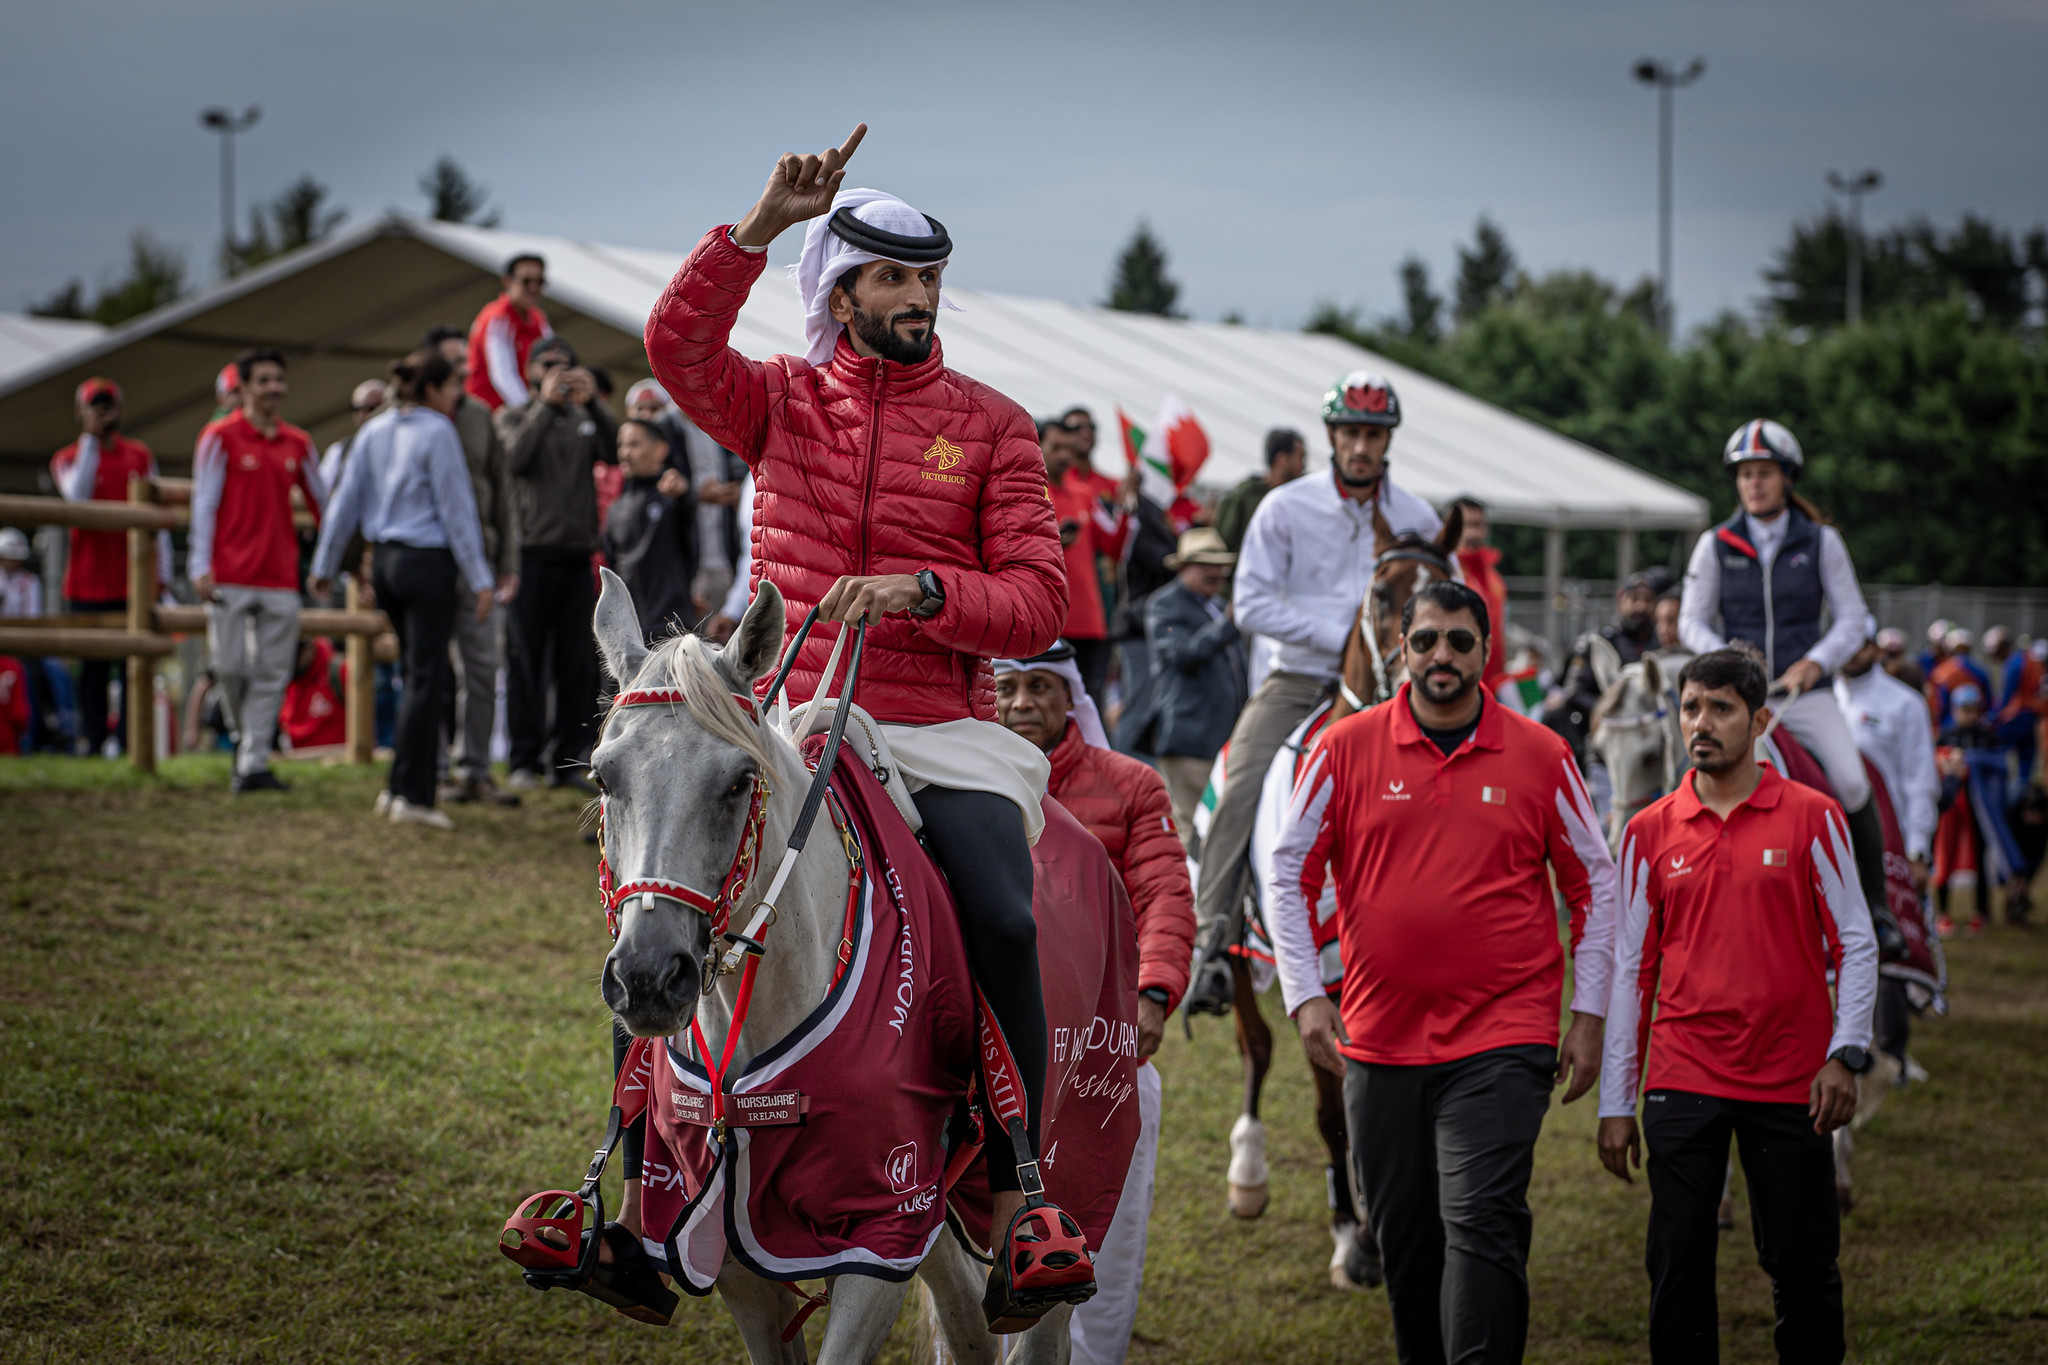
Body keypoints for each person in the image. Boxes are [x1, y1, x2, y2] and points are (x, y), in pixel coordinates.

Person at [641, 125, 1089, 1328]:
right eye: (890, 278)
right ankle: (628, 1188)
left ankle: (1023, 1190)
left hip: (938, 725)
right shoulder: (775, 399)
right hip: (788, 712)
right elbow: (670, 346)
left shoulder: (994, 425)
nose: (914, 298)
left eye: (927, 278)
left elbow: (1042, 601)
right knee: (663, 888)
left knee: (999, 908)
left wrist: (924, 593)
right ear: (838, 288)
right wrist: (757, 225)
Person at [1272, 580, 1616, 1365]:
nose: (1442, 656)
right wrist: (1304, 993)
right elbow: (1290, 866)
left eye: (1460, 641)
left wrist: (1590, 1013)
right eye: (1426, 640)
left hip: (1504, 1032)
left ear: (1486, 652)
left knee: (1483, 1220)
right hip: (1378, 1037)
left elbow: (1594, 882)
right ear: (1401, 649)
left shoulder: (1541, 753)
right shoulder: (1342, 746)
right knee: (1406, 1237)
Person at [1600, 648, 1878, 1365]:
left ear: (1758, 720)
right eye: (1691, 706)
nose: (1701, 722)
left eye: (1720, 708)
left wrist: (1846, 1053)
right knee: (1677, 1268)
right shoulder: (1648, 831)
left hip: (1792, 1081)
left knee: (1803, 1268)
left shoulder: (1813, 816)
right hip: (1683, 1077)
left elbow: (1855, 940)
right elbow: (1630, 971)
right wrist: (1614, 1101)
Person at [1182, 370, 1441, 1017]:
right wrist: (1344, 637)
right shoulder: (1284, 506)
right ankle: (1213, 939)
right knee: (1240, 777)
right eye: (1351, 432)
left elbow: (1446, 601)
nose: (1361, 446)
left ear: (1387, 440)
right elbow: (1250, 602)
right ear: (1331, 434)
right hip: (1299, 678)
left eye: (1373, 435)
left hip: (1398, 687)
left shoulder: (1418, 516)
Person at [992, 643, 1194, 1365]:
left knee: (1103, 1232)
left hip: (1105, 1054)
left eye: (1040, 686)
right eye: (1007, 686)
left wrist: (1154, 990)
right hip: (991, 1059)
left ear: (1071, 695)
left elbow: (1165, 890)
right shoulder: (953, 783)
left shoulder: (1130, 785)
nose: (1022, 703)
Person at [1678, 419, 1904, 960]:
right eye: (1745, 475)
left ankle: (1877, 909)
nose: (1754, 483)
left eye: (1764, 473)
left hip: (1807, 695)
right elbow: (1691, 621)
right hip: (1738, 697)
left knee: (1850, 782)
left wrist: (1814, 663)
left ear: (1787, 478)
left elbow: (1853, 618)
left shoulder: (1821, 541)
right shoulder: (1715, 543)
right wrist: (1727, 660)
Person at [311, 348, 493, 829]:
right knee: (425, 678)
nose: (457, 395)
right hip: (426, 562)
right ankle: (414, 795)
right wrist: (480, 579)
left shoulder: (373, 429)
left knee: (414, 675)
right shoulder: (438, 431)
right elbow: (458, 512)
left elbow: (344, 504)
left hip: (386, 562)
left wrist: (324, 563)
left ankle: (397, 787)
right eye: (453, 385)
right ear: (432, 389)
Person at [190, 348, 325, 794]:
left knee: (272, 673)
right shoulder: (219, 436)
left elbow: (324, 506)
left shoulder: (299, 442)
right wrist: (199, 564)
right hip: (228, 574)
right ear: (243, 388)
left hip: (280, 576)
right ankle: (244, 740)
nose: (273, 388)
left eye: (278, 380)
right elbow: (204, 503)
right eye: (263, 380)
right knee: (227, 667)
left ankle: (252, 764)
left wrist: (327, 563)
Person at [497, 335, 616, 791]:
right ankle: (524, 759)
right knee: (527, 660)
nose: (558, 372)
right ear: (530, 372)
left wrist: (595, 404)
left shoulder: (581, 416)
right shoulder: (513, 415)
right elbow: (513, 458)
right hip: (528, 555)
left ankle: (568, 762)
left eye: (567, 364)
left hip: (576, 556)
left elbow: (611, 451)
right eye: (548, 364)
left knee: (578, 664)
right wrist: (545, 406)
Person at [420, 325, 522, 807]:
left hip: (479, 563)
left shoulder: (481, 416)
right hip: (429, 560)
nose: (462, 370)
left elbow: (502, 490)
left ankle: (475, 771)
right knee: (430, 670)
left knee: (483, 670)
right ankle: (432, 769)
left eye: (466, 361)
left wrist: (507, 560)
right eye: (451, 363)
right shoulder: (408, 418)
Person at [1835, 622, 1941, 1071]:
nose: (1853, 652)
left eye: (1862, 643)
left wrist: (1918, 849)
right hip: (1827, 842)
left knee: (1885, 938)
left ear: (1876, 648)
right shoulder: (1817, 703)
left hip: (1888, 845)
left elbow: (1921, 780)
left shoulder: (1904, 704)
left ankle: (1892, 1050)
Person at [49, 377, 172, 756]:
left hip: (131, 583)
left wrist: (162, 575)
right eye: (96, 405)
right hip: (87, 585)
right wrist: (90, 440)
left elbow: (158, 521)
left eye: (109, 404)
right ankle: (94, 742)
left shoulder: (139, 455)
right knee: (92, 673)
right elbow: (78, 497)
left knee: (135, 668)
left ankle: (130, 745)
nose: (105, 411)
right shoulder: (67, 457)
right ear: (80, 413)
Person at [1140, 527, 1246, 847]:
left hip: (1215, 735)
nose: (1217, 573)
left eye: (1220, 566)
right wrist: (1227, 624)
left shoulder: (1212, 605)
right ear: (1184, 568)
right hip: (1190, 736)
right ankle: (1190, 896)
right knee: (1193, 826)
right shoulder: (1165, 605)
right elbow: (1181, 654)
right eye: (1207, 564)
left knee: (1211, 826)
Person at [1542, 571, 1660, 764]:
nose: (1641, 606)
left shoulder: (1660, 647)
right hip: (1602, 746)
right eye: (1634, 599)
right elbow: (1575, 692)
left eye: (1648, 600)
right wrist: (1616, 710)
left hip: (1649, 745)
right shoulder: (1598, 643)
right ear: (1621, 600)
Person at [601, 418, 700, 641]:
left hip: (670, 632)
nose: (625, 453)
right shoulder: (616, 509)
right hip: (628, 632)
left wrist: (682, 494)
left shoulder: (672, 498)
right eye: (621, 445)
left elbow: (688, 514)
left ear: (660, 450)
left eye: (634, 444)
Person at [1044, 419, 1115, 711]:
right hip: (1050, 618)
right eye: (1055, 447)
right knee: (1050, 702)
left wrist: (1129, 506)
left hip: (1089, 620)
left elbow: (1113, 543)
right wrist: (1053, 541)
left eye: (1069, 449)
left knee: (1088, 702)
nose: (1063, 456)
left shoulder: (1085, 494)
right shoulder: (1031, 492)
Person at [464, 253, 554, 411]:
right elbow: (503, 376)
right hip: (490, 411)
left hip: (519, 410)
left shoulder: (539, 319)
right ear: (508, 281)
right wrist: (531, 412)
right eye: (526, 281)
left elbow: (554, 357)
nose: (533, 288)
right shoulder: (498, 318)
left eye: (539, 282)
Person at [1212, 427, 1306, 553]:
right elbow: (1223, 546)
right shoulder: (1243, 498)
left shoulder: (1301, 499)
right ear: (1282, 459)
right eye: (1300, 457)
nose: (1303, 465)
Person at [1450, 495, 1508, 693]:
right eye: (1466, 525)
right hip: (1456, 683)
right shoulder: (1445, 573)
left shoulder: (1494, 577)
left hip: (1492, 684)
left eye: (1478, 525)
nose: (1473, 533)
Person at [319, 379, 389, 488]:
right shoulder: (340, 451)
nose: (364, 414)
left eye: (372, 408)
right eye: (357, 409)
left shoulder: (402, 446)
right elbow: (320, 493)